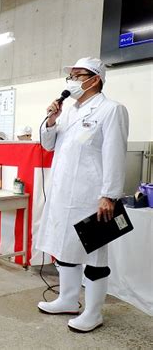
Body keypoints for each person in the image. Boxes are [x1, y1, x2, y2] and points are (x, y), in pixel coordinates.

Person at [36, 57, 129, 333]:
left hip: (92, 198)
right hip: (64, 195)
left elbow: (115, 155)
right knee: (66, 249)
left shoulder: (112, 110)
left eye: (78, 76)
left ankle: (93, 312)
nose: (73, 82)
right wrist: (51, 120)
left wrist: (109, 195)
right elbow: (48, 145)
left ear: (95, 79)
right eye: (72, 77)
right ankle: (67, 299)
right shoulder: (68, 111)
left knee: (95, 255)